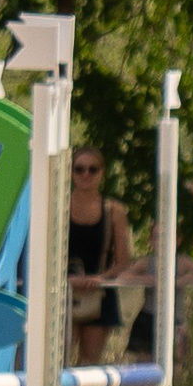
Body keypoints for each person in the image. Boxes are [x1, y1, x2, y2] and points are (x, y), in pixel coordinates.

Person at [65, 145, 135, 364]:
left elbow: (124, 261)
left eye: (93, 169)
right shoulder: (57, 206)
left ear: (102, 173)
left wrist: (99, 279)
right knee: (57, 361)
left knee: (90, 363)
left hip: (100, 293)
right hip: (63, 291)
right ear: (70, 172)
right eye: (79, 169)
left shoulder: (114, 210)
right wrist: (67, 280)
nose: (86, 174)